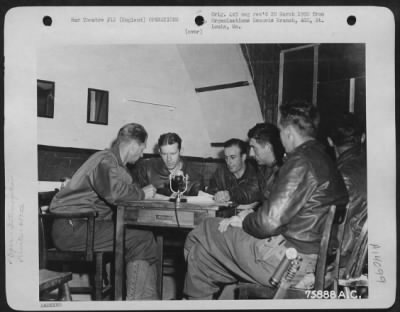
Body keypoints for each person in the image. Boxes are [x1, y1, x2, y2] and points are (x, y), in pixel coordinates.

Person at [183, 101, 349, 299]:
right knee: (200, 257)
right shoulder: (325, 159)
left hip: (287, 264)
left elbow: (267, 223)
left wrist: (243, 220)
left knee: (205, 228)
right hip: (315, 261)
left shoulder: (300, 162)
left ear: (288, 133)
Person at [49, 123, 160, 300]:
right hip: (72, 228)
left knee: (144, 236)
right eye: (142, 148)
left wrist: (137, 192)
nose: (142, 153)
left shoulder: (114, 164)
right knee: (141, 239)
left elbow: (120, 190)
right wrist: (141, 193)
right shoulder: (105, 160)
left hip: (84, 225)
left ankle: (148, 301)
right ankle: (134, 303)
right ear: (133, 145)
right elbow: (115, 193)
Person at [327, 112, 367, 266]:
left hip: (344, 257)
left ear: (330, 141)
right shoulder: (380, 166)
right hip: (374, 254)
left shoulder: (336, 176)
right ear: (363, 137)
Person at [131, 132, 204, 197]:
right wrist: (141, 193)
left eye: (173, 153)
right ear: (159, 151)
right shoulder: (146, 168)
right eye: (164, 154)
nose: (169, 159)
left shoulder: (194, 176)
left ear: (181, 151)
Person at [207, 138, 262, 205]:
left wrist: (229, 194)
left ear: (243, 157)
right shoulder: (220, 173)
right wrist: (216, 196)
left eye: (233, 157)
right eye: (226, 158)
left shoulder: (256, 172)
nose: (228, 162)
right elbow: (210, 194)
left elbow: (251, 193)